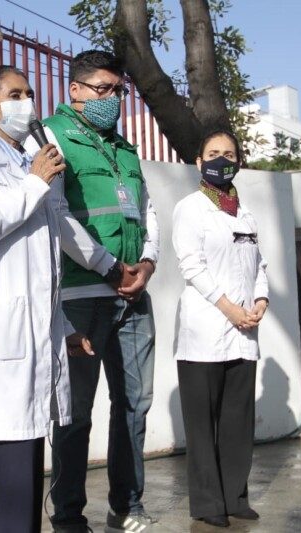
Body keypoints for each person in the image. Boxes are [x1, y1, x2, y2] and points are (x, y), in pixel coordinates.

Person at [0, 65, 93, 533]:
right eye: (15, 94)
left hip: (33, 341)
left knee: (25, 497)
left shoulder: (28, 167)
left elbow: (40, 270)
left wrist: (63, 328)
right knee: (8, 502)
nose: (27, 101)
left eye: (29, 92)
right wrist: (34, 183)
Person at [25, 50, 160, 533]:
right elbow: (55, 215)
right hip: (82, 296)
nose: (111, 99)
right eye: (101, 89)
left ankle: (127, 506)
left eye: (117, 90)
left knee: (134, 406)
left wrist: (146, 262)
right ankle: (67, 518)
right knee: (74, 412)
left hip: (132, 296)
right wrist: (108, 267)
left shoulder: (124, 148)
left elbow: (147, 210)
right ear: (75, 90)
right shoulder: (52, 137)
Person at [172, 130, 269, 528]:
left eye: (229, 154)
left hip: (243, 331)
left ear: (238, 162)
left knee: (237, 421)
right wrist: (229, 308)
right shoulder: (190, 208)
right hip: (205, 331)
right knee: (202, 423)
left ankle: (235, 496)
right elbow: (191, 265)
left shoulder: (245, 213)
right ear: (199, 162)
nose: (221, 160)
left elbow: (258, 266)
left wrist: (260, 301)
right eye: (213, 153)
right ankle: (208, 503)